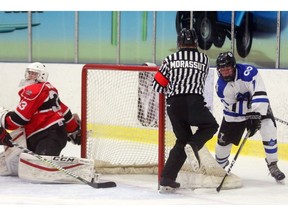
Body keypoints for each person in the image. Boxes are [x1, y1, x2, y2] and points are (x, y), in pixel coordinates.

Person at [152, 28, 219, 190]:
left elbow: (157, 86)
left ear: (179, 43)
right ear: (196, 42)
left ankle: (167, 178)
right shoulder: (203, 59)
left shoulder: (170, 59)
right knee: (211, 126)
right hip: (194, 103)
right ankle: (194, 145)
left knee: (182, 140)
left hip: (174, 106)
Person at [214, 51, 285, 182]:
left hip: (258, 110)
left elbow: (260, 94)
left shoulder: (249, 72)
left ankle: (273, 164)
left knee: (269, 128)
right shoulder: (221, 87)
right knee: (223, 144)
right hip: (234, 116)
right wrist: (249, 114)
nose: (225, 73)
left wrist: (256, 114)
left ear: (234, 66)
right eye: (222, 70)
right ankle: (219, 167)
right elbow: (232, 108)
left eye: (228, 69)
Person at [0, 62, 81, 175]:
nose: (30, 76)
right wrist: (74, 129)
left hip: (49, 136)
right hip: (39, 136)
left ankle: (66, 166)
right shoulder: (48, 89)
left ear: (42, 76)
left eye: (34, 74)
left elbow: (19, 119)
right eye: (29, 73)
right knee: (27, 164)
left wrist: (3, 118)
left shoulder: (35, 90)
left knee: (40, 168)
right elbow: (64, 111)